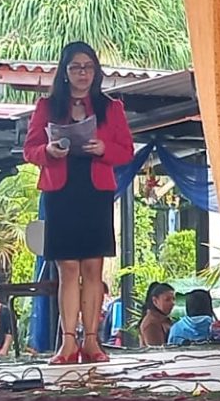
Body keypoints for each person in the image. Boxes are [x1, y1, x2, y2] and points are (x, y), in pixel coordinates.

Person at [24, 42, 135, 366]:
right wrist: (48, 152)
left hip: (95, 191)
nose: (82, 73)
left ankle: (92, 341)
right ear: (65, 71)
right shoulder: (47, 106)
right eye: (75, 67)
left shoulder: (110, 107)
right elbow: (30, 149)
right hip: (60, 191)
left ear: (96, 71)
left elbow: (126, 150)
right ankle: (68, 342)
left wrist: (103, 148)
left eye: (88, 67)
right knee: (68, 267)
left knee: (92, 267)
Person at [138, 282, 177, 347]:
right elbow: (157, 351)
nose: (172, 303)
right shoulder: (151, 324)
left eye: (173, 299)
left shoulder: (164, 319)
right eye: (167, 300)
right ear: (155, 301)